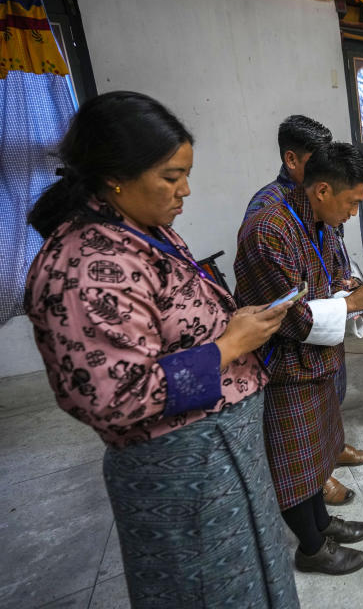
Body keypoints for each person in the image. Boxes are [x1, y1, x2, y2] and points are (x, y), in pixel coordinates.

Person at [23, 91, 299, 607]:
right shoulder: (86, 265)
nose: (185, 190)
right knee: (209, 590)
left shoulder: (143, 231)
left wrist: (229, 323)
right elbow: (117, 396)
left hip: (219, 454)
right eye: (171, 176)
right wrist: (226, 346)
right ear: (114, 176)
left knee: (251, 573)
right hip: (180, 469)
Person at [235, 143, 363, 575]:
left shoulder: (319, 223)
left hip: (318, 363)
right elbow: (290, 319)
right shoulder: (269, 231)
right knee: (295, 463)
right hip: (285, 368)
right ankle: (312, 548)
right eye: (353, 202)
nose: (354, 213)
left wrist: (351, 286)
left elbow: (333, 273)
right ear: (321, 190)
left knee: (318, 453)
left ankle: (322, 523)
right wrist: (350, 304)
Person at [243, 114, 332, 222]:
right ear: (291, 160)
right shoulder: (264, 206)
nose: (326, 168)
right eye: (318, 161)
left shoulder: (323, 195)